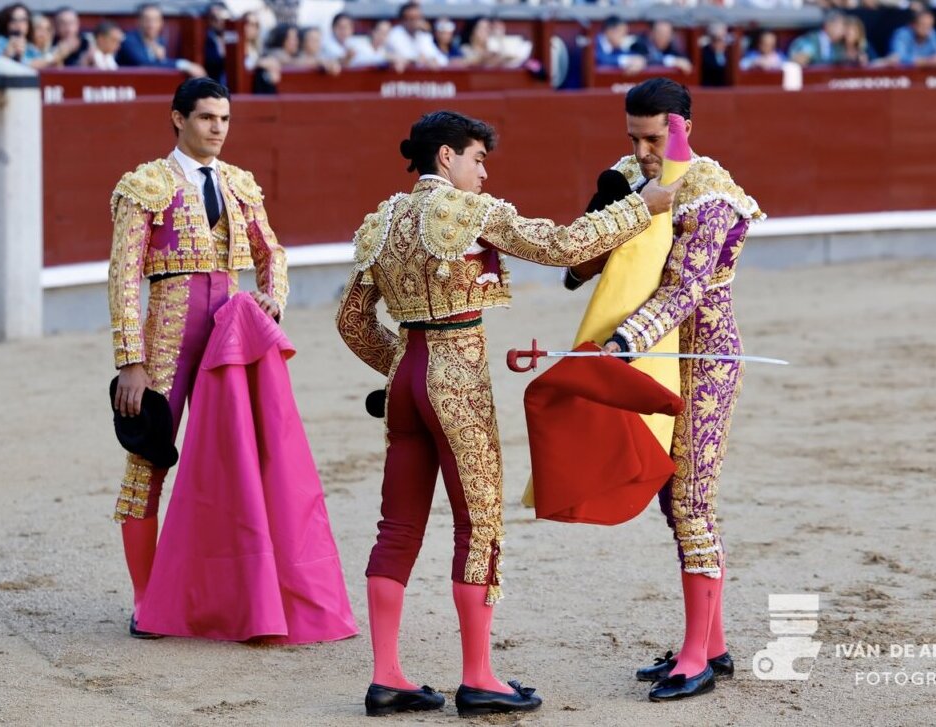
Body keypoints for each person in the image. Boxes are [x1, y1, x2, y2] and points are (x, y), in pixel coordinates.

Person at [336, 110, 683, 716]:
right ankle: (478, 677)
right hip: (457, 379)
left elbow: (351, 321)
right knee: (478, 525)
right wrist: (640, 207)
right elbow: (561, 246)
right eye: (477, 159)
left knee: (397, 527)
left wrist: (400, 367)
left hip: (406, 383)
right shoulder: (471, 212)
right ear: (446, 157)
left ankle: (387, 675)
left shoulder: (382, 219)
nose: (484, 173)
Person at [578, 79, 763, 702]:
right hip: (657, 359)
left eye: (653, 138)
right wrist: (600, 220)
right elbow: (580, 271)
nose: (642, 150)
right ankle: (711, 644)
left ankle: (697, 656)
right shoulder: (631, 176)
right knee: (672, 497)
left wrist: (624, 342)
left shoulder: (709, 192)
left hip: (703, 359)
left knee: (691, 500)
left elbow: (686, 288)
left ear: (682, 127)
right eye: (633, 136)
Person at [107, 77, 288, 637]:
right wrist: (129, 361)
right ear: (178, 119)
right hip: (166, 331)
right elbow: (123, 276)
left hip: (227, 330)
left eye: (225, 119)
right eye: (208, 118)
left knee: (235, 458)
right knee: (149, 460)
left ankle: (224, 591)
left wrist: (271, 299)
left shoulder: (239, 184)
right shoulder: (144, 185)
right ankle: (146, 600)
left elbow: (271, 251)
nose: (218, 128)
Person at [116, 3, 206, 77]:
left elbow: (162, 65)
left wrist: (163, 61)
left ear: (161, 23)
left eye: (155, 20)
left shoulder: (160, 41)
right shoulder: (129, 41)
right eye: (146, 20)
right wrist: (183, 64)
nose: (151, 25)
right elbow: (145, 66)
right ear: (138, 21)